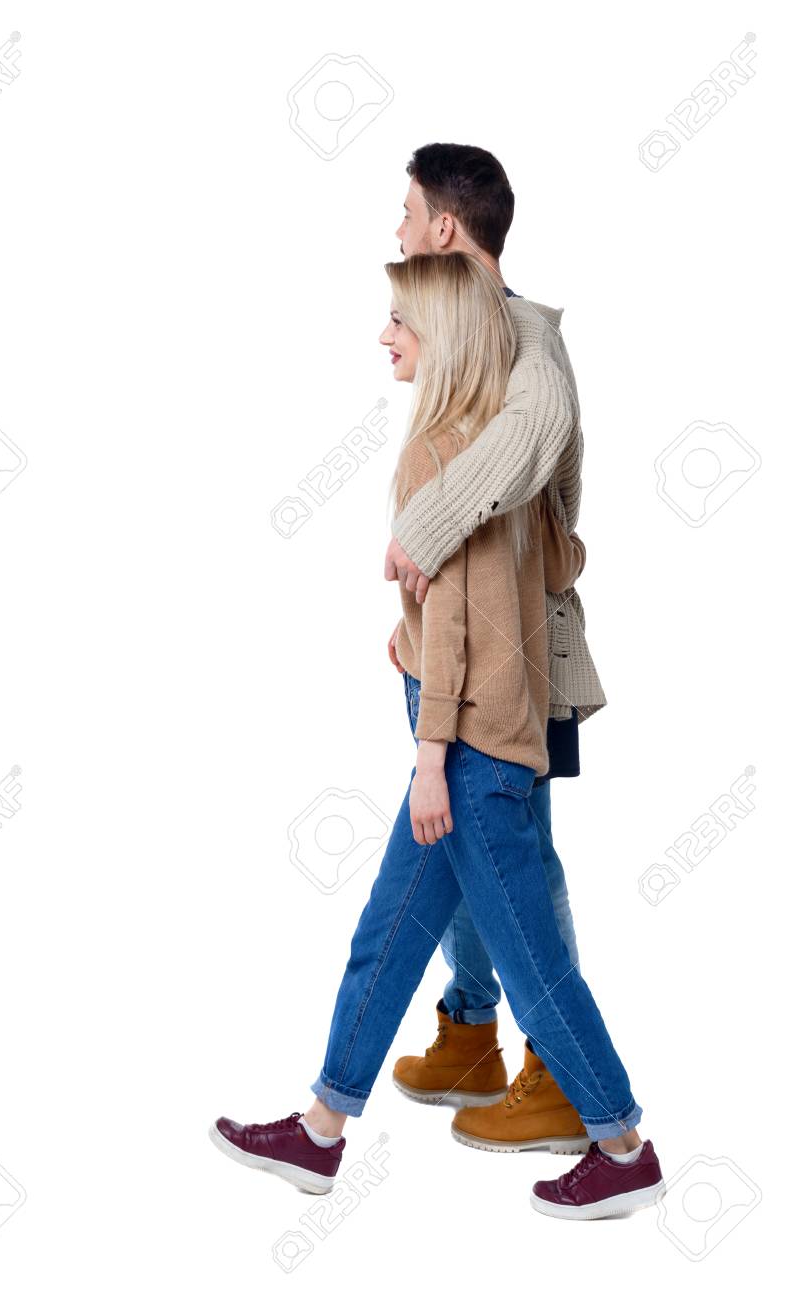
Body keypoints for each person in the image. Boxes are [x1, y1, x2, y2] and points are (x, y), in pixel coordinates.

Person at [210, 252, 665, 1220]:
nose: (383, 336)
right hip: (500, 728)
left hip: (465, 748)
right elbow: (561, 558)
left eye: (398, 322)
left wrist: (427, 758)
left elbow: (453, 630)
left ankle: (621, 1143)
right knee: (386, 934)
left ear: (442, 339)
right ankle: (322, 1130)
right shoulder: (513, 450)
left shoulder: (436, 458)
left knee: (531, 962)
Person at [387, 143, 606, 1152]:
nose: (394, 232)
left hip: (517, 657)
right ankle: (469, 1031)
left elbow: (530, 437)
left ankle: (558, 1077)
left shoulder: (526, 340)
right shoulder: (456, 334)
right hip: (448, 649)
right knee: (470, 849)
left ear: (443, 229)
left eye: (405, 215)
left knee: (517, 858)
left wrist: (421, 529)